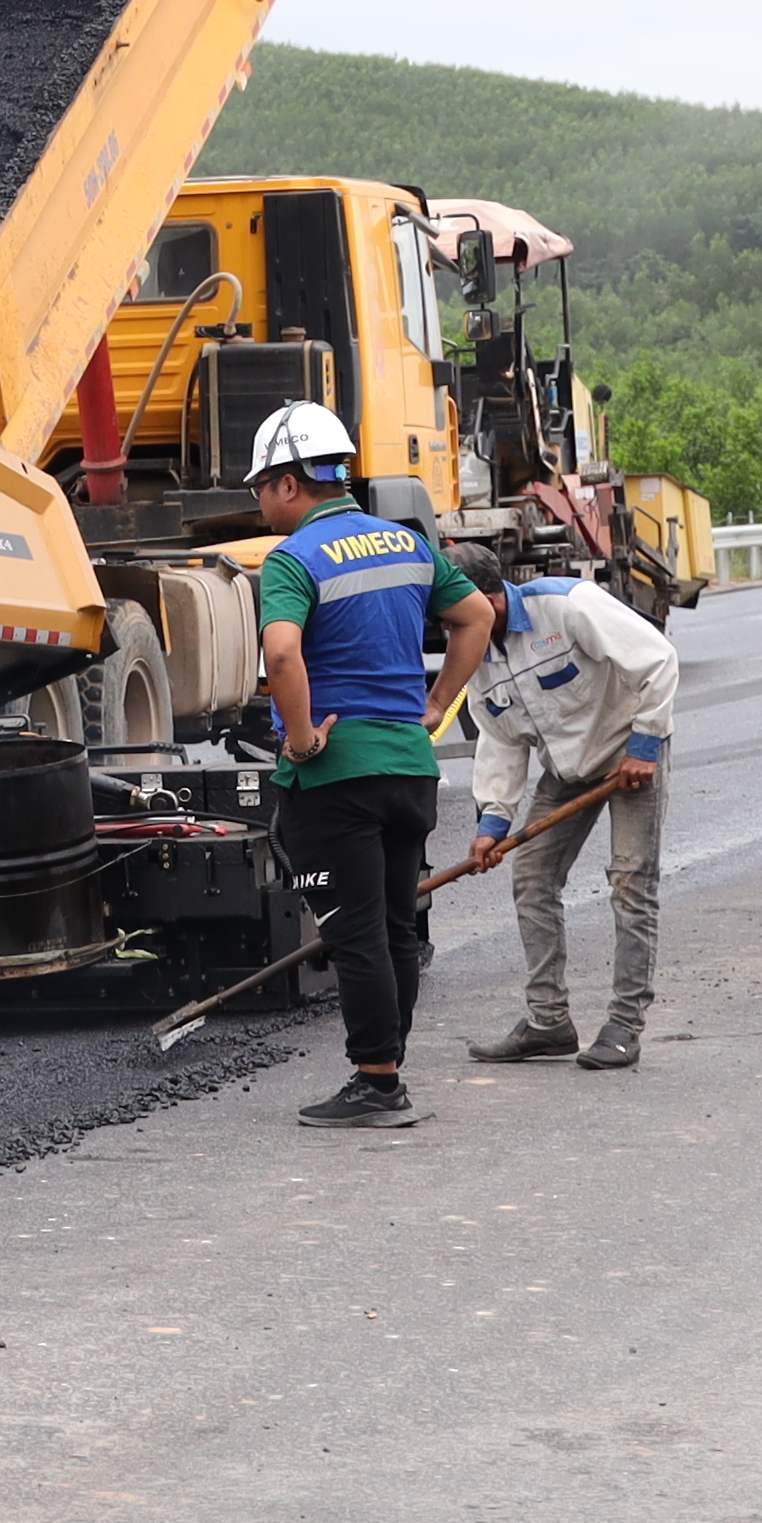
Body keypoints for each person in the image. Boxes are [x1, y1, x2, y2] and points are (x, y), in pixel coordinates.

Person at [251, 405, 495, 1130]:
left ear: (291, 482)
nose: (258, 499)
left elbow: (283, 653)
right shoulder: (409, 545)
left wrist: (299, 740)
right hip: (410, 772)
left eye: (262, 484)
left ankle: (378, 1083)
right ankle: (387, 1062)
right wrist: (436, 705)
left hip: (338, 778)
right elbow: (476, 615)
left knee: (352, 932)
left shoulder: (293, 560)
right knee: (393, 928)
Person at [456, 551, 679, 1071]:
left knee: (630, 883)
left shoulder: (567, 605)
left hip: (629, 751)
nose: (453, 630)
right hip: (567, 770)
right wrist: (493, 821)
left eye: (457, 616)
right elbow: (499, 740)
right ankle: (548, 1021)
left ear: (487, 600)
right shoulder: (474, 654)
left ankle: (624, 1026)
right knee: (532, 876)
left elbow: (658, 659)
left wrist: (644, 747)